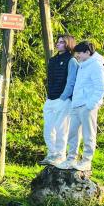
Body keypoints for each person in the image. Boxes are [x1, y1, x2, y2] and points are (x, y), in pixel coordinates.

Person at [58, 41, 104, 172]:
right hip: (76, 105)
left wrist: (90, 105)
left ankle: (86, 162)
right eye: (76, 53)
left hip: (87, 106)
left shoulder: (96, 66)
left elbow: (101, 89)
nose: (77, 56)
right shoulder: (82, 65)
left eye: (79, 53)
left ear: (87, 52)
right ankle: (70, 160)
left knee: (88, 135)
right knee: (72, 134)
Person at [40, 34, 79, 166]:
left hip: (63, 100)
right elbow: (50, 80)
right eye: (58, 42)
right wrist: (48, 96)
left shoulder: (72, 60)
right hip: (50, 98)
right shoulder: (52, 60)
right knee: (48, 128)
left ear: (68, 44)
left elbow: (71, 81)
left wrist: (64, 97)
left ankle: (60, 155)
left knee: (61, 129)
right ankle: (51, 154)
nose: (58, 44)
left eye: (62, 42)